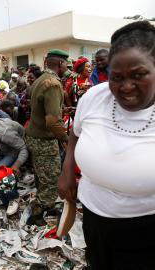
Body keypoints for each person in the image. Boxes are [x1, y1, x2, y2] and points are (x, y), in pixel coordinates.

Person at [58, 21, 155, 270]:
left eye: (138, 74)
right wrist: (67, 172)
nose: (125, 87)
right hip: (93, 217)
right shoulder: (94, 97)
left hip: (144, 229)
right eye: (116, 77)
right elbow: (75, 134)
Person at [25, 49, 69, 224]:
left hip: (34, 136)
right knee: (51, 178)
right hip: (44, 139)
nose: (68, 66)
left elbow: (43, 109)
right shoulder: (53, 84)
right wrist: (66, 139)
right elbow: (52, 121)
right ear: (60, 64)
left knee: (42, 175)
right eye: (66, 63)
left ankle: (48, 204)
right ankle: (36, 215)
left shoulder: (40, 80)